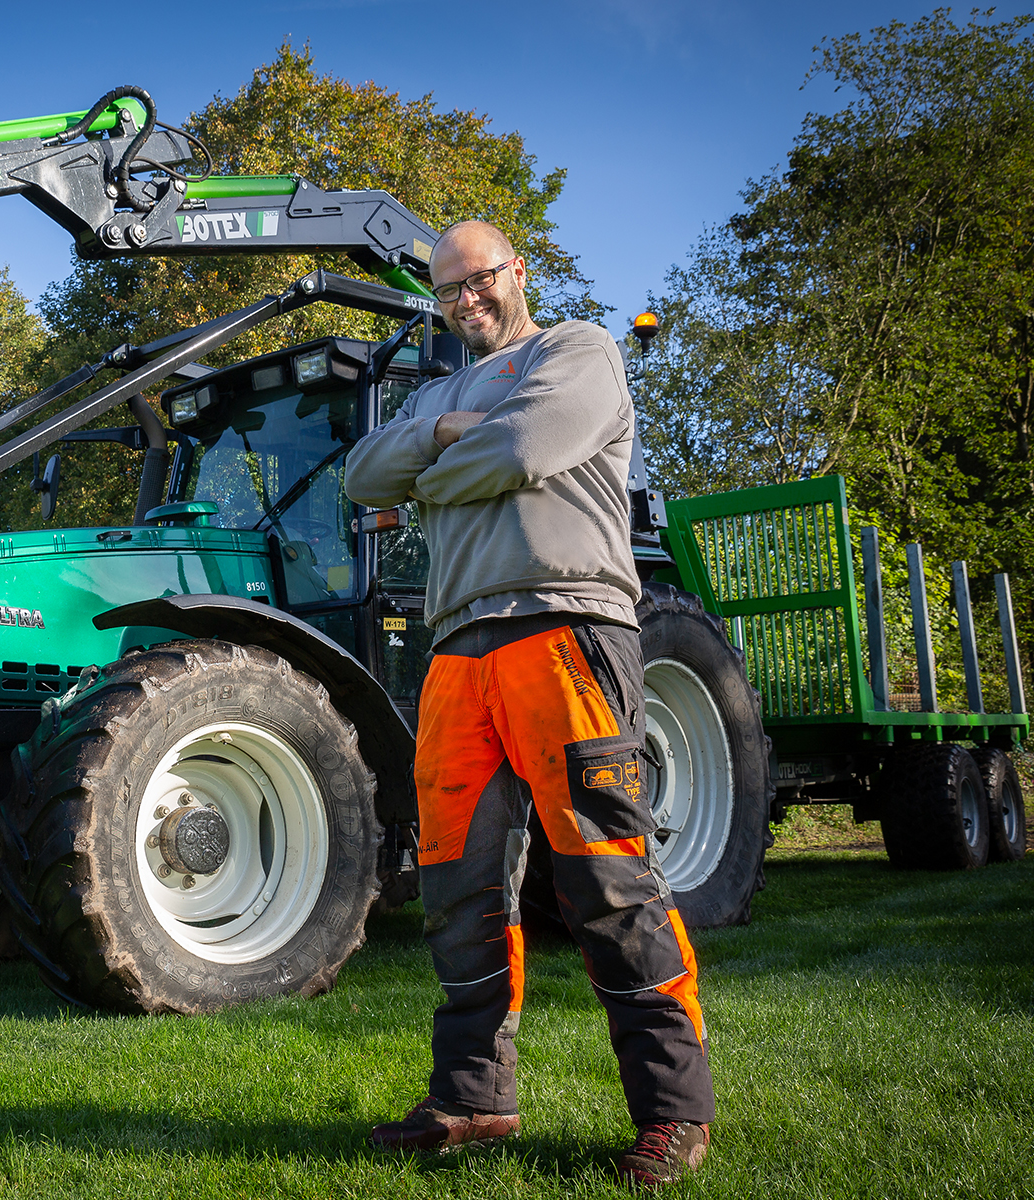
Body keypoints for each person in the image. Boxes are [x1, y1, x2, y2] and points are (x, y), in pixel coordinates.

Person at [344, 220, 714, 1187]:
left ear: (518, 273)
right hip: (459, 647)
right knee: (456, 883)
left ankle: (674, 1113)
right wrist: (449, 435)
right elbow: (359, 476)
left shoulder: (579, 350)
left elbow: (535, 445)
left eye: (478, 279)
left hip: (570, 631)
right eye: (447, 290)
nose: (464, 299)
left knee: (604, 876)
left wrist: (438, 474)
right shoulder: (435, 394)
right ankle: (474, 1097)